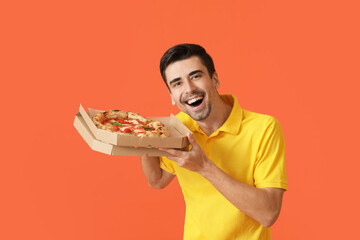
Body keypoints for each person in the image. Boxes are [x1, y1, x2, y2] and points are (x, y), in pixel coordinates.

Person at [141, 43, 287, 240]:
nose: (189, 89)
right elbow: (157, 180)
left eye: (196, 76)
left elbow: (268, 213)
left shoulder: (263, 128)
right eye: (177, 83)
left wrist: (204, 167)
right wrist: (140, 139)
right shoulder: (177, 127)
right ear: (171, 96)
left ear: (215, 79)